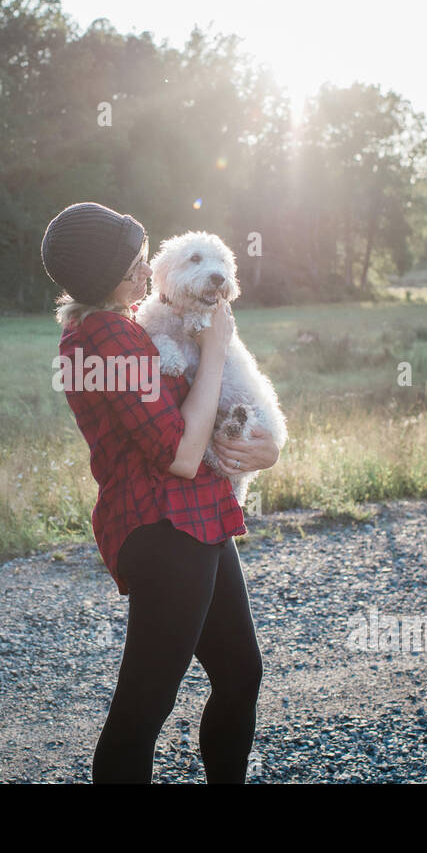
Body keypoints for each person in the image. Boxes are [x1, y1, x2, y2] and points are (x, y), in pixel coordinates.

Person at [41, 201, 280, 783]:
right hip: (165, 527)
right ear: (103, 273)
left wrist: (266, 446)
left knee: (240, 673)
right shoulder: (108, 339)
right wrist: (219, 346)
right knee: (144, 707)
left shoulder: (121, 329)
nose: (147, 273)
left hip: (197, 518)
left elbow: (207, 412)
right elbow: (179, 454)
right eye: (135, 263)